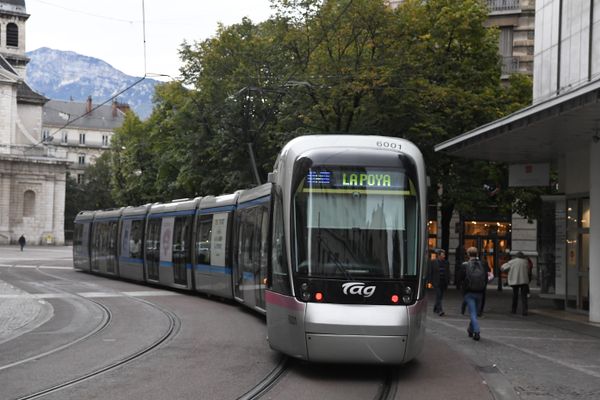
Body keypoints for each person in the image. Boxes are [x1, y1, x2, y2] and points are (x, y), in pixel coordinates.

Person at [456, 247, 486, 341]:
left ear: (468, 254)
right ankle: (470, 329)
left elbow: (459, 279)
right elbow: (486, 278)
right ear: (477, 254)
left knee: (472, 313)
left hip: (469, 292)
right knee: (475, 313)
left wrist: (461, 287)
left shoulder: (465, 265)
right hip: (480, 292)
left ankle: (476, 332)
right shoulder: (483, 264)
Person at [501, 251, 530, 315]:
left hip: (515, 280)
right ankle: (525, 311)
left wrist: (507, 272)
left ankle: (514, 310)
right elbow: (528, 270)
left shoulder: (512, 262)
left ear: (516, 256)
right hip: (524, 280)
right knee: (524, 297)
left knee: (515, 296)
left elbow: (503, 268)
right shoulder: (525, 262)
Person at [428, 249, 449, 316]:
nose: (444, 256)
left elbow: (448, 272)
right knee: (438, 295)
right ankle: (440, 310)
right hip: (436, 282)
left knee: (440, 296)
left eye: (444, 255)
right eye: (443, 255)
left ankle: (435, 308)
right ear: (439, 256)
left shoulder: (446, 262)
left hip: (443, 282)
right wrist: (430, 282)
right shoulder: (433, 262)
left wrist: (448, 280)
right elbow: (430, 272)